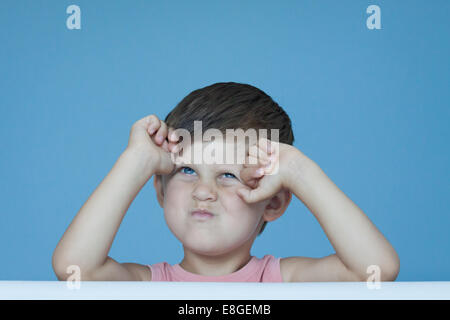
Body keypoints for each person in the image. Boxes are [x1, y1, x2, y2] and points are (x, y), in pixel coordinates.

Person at [52, 82, 400, 282]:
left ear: (273, 202)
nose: (204, 192)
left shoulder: (283, 281)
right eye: (187, 171)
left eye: (228, 176)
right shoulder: (149, 285)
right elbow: (73, 270)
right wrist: (135, 162)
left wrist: (297, 171)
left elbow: (375, 270)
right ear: (159, 188)